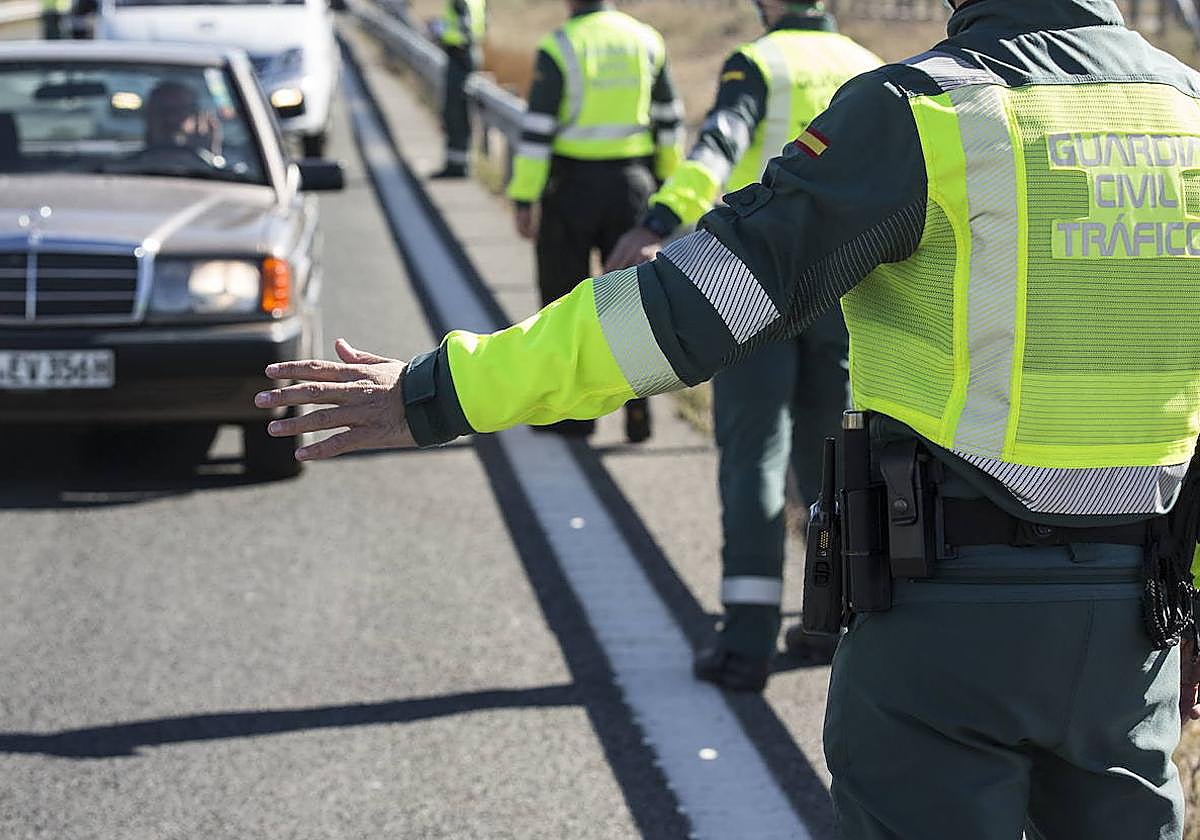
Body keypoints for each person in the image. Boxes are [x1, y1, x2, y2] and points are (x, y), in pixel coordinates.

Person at [257, 0, 1200, 835]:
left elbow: (684, 312)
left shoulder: (929, 110)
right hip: (1135, 636)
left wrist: (441, 391)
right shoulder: (1190, 113)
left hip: (945, 627)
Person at [606, 0, 881, 691]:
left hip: (755, 289)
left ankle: (747, 645)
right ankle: (830, 624)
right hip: (848, 292)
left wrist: (657, 222)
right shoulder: (871, 68)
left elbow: (715, 151)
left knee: (755, 454)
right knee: (834, 462)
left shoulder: (758, 63)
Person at [506, 0, 684, 441]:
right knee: (632, 307)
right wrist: (667, 187)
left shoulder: (561, 45)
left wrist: (524, 196)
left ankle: (574, 417)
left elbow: (537, 131)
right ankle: (638, 416)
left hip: (571, 188)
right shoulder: (646, 40)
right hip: (634, 187)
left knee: (565, 301)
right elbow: (669, 121)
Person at [432, 0, 486, 178]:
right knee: (460, 113)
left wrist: (441, 33)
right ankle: (458, 164)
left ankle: (456, 167)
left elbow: (465, 28)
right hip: (469, 55)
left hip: (459, 57)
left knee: (455, 114)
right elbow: (484, 25)